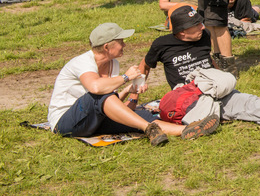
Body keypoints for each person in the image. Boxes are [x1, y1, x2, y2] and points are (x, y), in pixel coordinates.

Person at [139, 7, 260, 134]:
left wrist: (220, 76)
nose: (202, 27)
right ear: (181, 32)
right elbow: (145, 65)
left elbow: (209, 59)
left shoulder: (204, 36)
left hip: (214, 85)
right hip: (189, 95)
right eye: (196, 25)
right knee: (241, 109)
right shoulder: (161, 44)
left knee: (247, 103)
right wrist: (138, 86)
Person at [47, 22, 219, 146]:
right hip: (65, 123)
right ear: (107, 47)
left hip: (92, 119)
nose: (124, 44)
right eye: (120, 41)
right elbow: (96, 89)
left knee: (140, 117)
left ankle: (188, 130)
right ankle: (149, 129)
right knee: (97, 96)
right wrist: (126, 78)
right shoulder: (83, 63)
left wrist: (131, 92)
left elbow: (110, 103)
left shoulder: (112, 63)